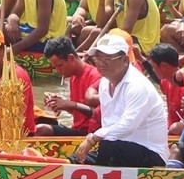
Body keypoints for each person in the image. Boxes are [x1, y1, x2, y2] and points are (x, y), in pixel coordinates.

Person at [69, 33, 168, 167]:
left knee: (108, 148)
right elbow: (109, 123)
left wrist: (93, 138)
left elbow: (128, 125)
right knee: (75, 159)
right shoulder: (104, 83)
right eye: (98, 58)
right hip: (119, 148)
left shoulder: (137, 86)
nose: (101, 63)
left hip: (150, 153)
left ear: (125, 60)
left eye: (108, 58)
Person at [38, 36, 100, 137]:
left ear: (71, 58)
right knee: (38, 120)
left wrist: (71, 104)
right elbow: (77, 112)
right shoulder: (73, 77)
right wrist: (60, 103)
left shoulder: (96, 76)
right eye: (55, 67)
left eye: (60, 65)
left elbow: (101, 114)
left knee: (42, 130)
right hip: (76, 129)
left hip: (89, 134)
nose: (58, 71)